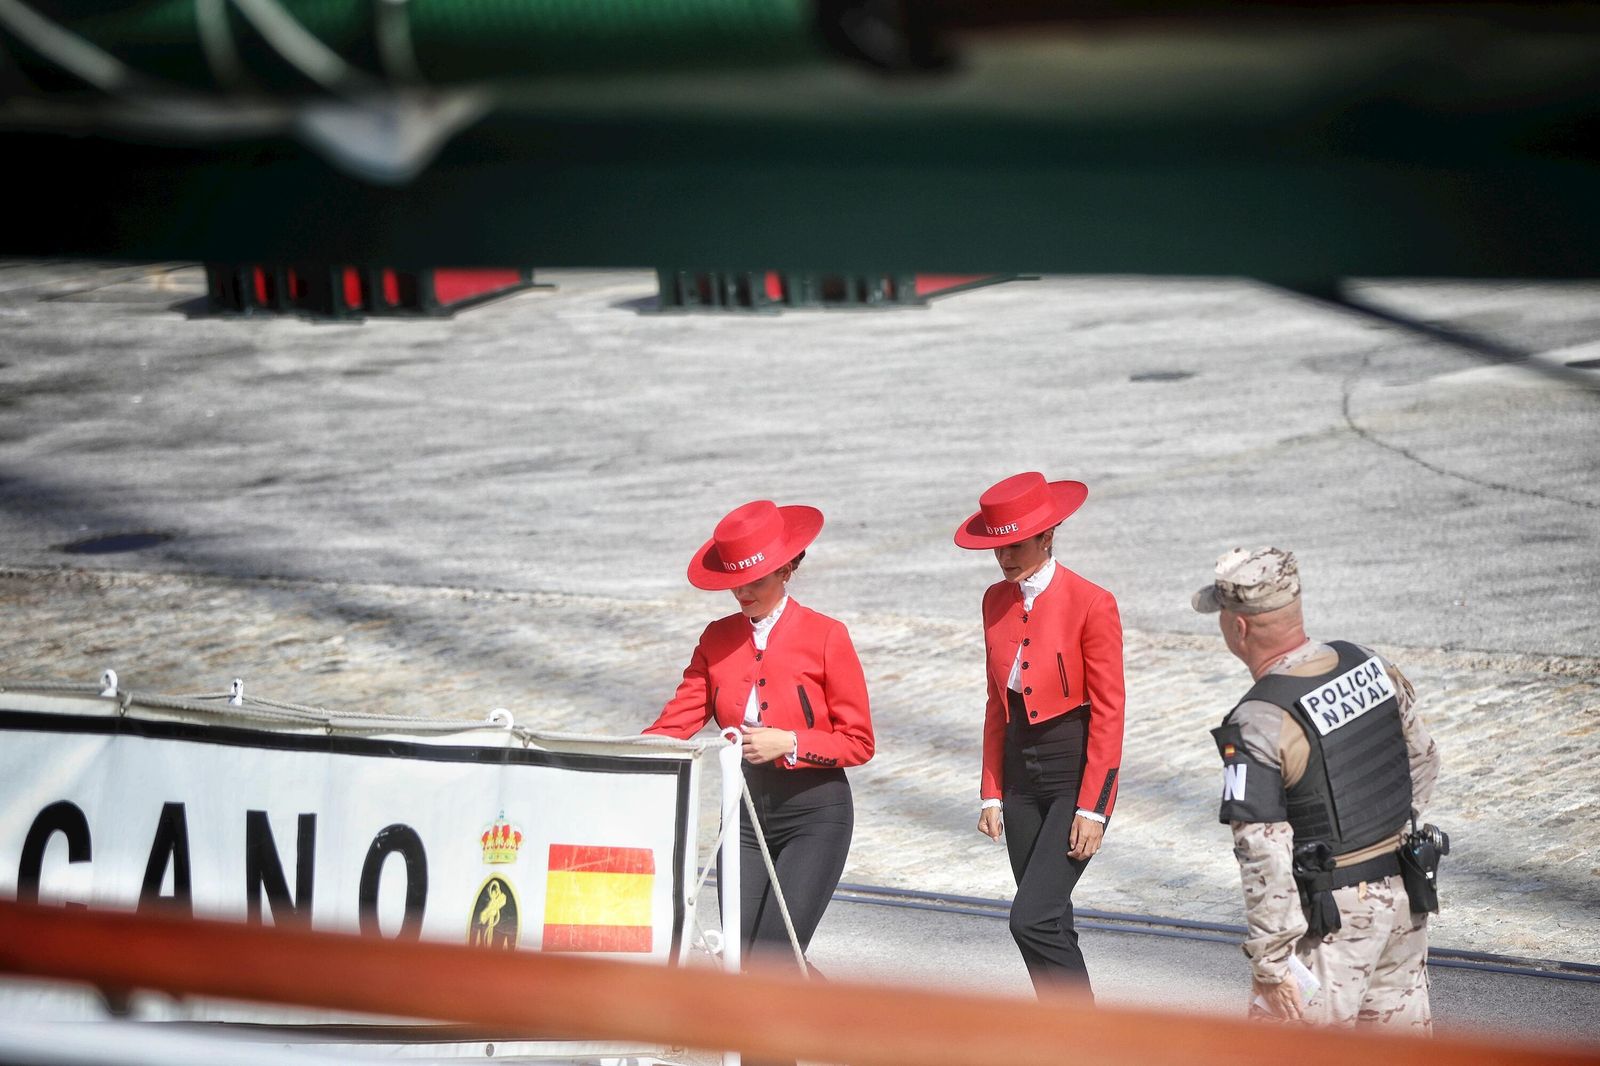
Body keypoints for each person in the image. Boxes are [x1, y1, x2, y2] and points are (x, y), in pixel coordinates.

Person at [1193, 547, 1441, 1031]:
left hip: (1328, 922)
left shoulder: (1258, 720)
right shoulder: (1369, 663)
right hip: (1405, 896)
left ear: (1238, 627)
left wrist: (1271, 964)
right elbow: (1424, 760)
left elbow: (1264, 853)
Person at [644, 498, 874, 972]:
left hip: (815, 816)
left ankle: (857, 1037)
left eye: (757, 580)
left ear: (787, 569)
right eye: (736, 583)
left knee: (773, 961)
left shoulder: (828, 635)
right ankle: (840, 1041)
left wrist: (790, 742)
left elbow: (859, 742)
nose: (744, 592)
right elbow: (674, 723)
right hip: (744, 818)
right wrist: (614, 757)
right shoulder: (716, 638)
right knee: (744, 965)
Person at [953, 471, 1125, 1000]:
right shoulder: (993, 600)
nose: (1004, 558)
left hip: (1072, 773)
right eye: (997, 548)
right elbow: (995, 703)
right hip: (1019, 776)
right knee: (1051, 922)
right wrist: (990, 789)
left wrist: (1094, 809)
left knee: (1029, 919)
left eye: (1016, 545)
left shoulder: (1092, 602)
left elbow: (1110, 713)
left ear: (1047, 535)